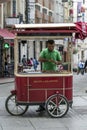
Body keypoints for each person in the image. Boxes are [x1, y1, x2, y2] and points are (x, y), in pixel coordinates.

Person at [36, 40, 62, 112]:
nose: (51, 48)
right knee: (42, 89)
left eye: (52, 46)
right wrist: (47, 60)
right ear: (47, 45)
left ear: (54, 45)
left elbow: (60, 62)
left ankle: (55, 106)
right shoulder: (44, 51)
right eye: (50, 46)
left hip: (54, 73)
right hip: (45, 72)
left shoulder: (56, 52)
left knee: (53, 90)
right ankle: (41, 106)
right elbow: (39, 59)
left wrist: (56, 62)